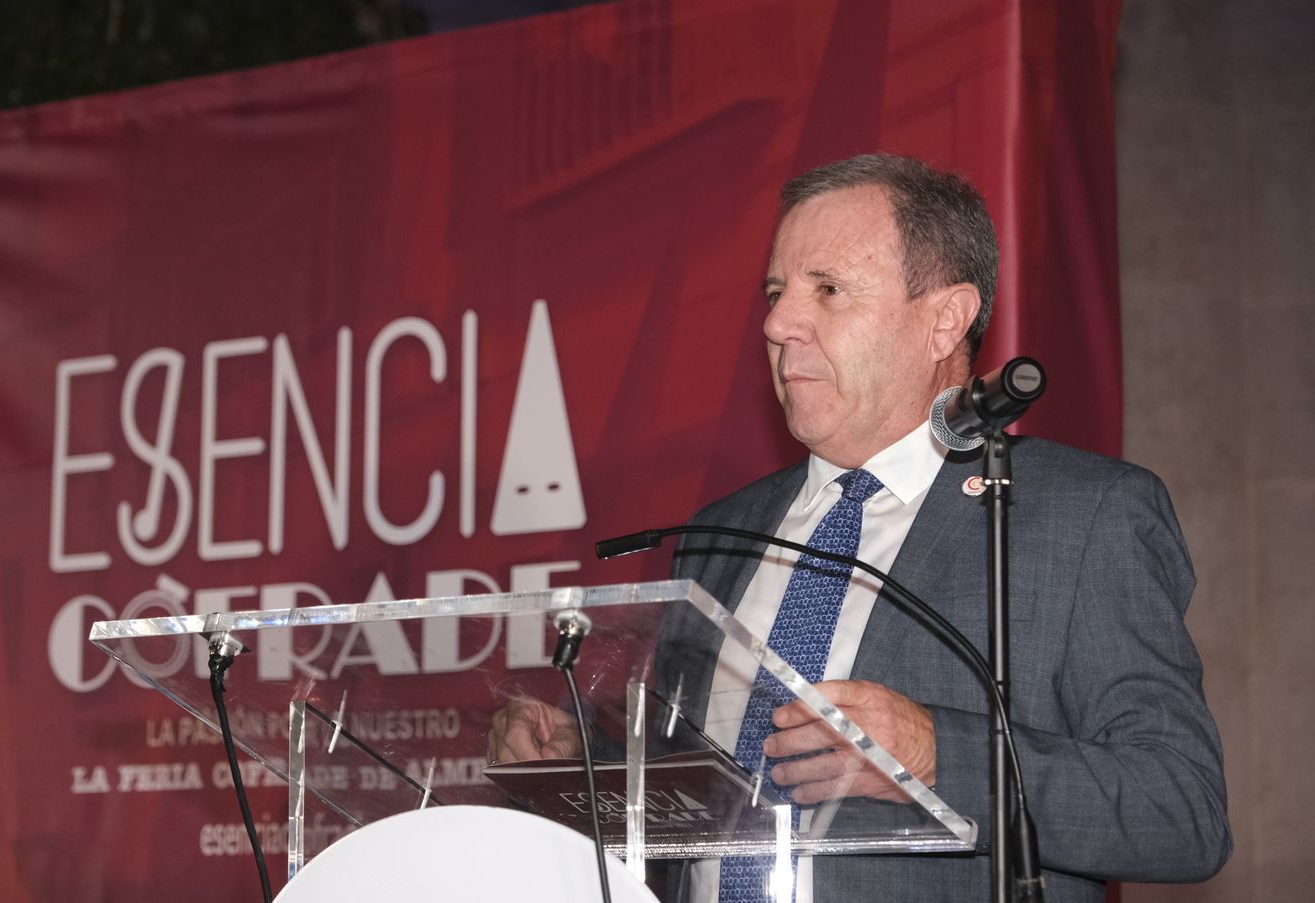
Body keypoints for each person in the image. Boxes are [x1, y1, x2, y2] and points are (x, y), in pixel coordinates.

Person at [487, 153, 1231, 902]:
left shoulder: (1081, 516)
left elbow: (1184, 807)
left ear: (945, 319)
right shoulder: (723, 531)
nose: (777, 323)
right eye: (776, 292)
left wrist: (936, 756)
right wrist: (582, 760)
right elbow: (707, 789)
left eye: (829, 289)